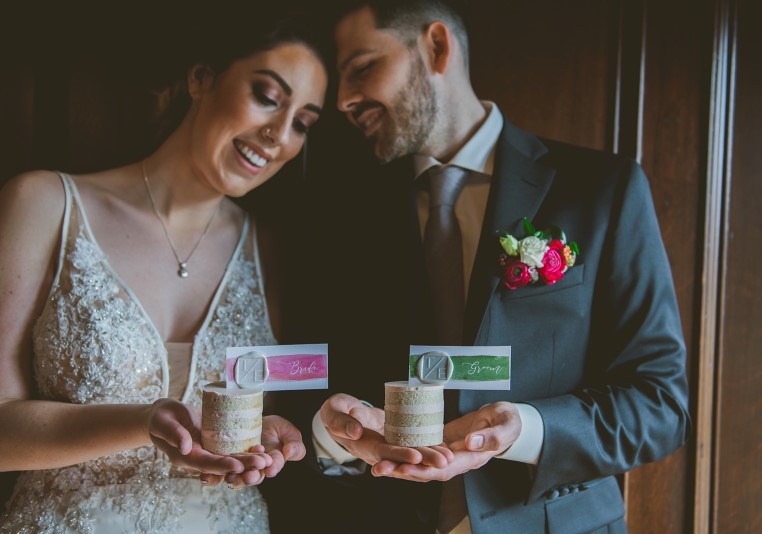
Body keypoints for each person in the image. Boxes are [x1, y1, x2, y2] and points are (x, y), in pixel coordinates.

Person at [265, 1, 691, 533]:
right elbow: (311, 372)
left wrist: (527, 429)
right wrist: (333, 436)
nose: (346, 100)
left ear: (437, 47)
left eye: (363, 67)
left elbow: (661, 403)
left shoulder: (601, 191)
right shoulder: (343, 214)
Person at [0, 11, 327, 533]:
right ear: (202, 78)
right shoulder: (44, 205)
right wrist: (140, 421)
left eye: (303, 123)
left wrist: (263, 439)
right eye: (268, 96)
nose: (278, 135)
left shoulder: (272, 250)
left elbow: (269, 399)